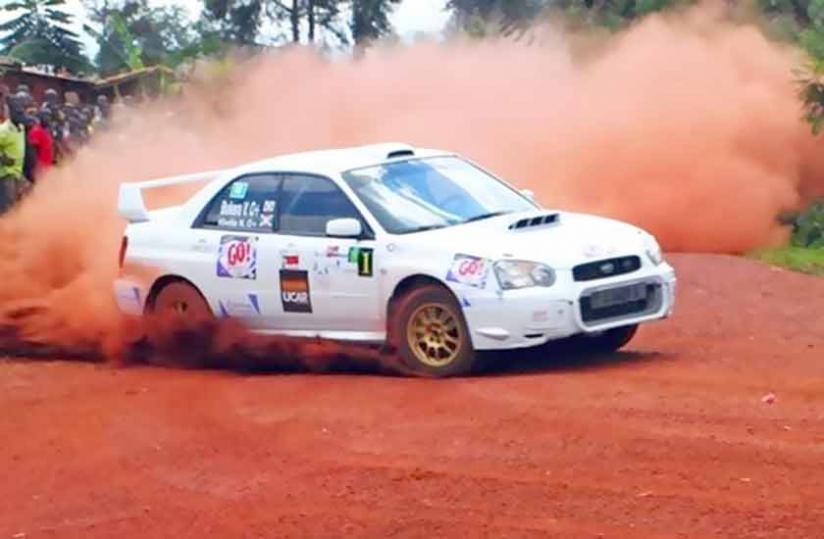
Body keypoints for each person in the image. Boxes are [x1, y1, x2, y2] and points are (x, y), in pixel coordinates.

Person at [0, 95, 25, 215]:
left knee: (18, 204)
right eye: (17, 112)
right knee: (8, 207)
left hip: (18, 173)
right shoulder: (3, 130)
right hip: (6, 174)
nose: (20, 115)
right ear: (10, 113)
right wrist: (2, 157)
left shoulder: (21, 127)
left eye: (21, 112)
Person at [28, 111, 54, 180]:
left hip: (47, 165)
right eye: (46, 117)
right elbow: (32, 151)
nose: (48, 119)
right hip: (40, 166)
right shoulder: (36, 131)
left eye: (49, 117)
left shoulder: (46, 131)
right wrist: (35, 167)